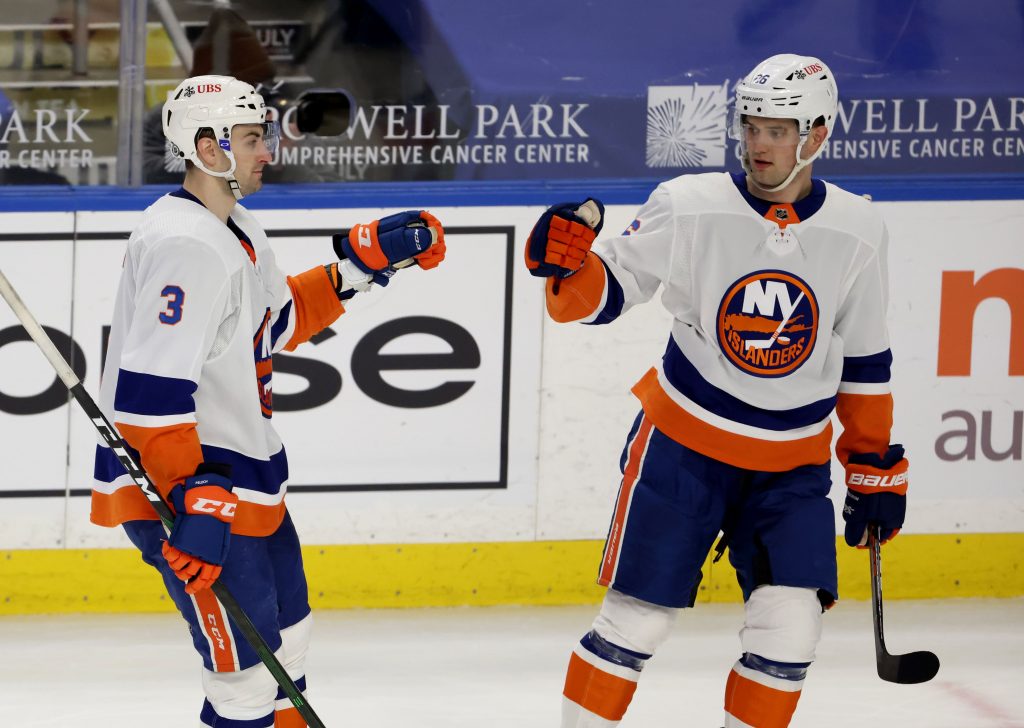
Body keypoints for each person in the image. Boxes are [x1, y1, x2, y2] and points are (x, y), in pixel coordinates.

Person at [524, 54, 909, 728]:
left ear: (817, 135)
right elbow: (604, 294)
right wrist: (568, 271)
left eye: (778, 130)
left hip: (792, 467)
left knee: (790, 632)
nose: (759, 143)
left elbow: (865, 361)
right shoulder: (689, 205)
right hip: (683, 451)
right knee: (634, 623)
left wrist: (873, 465)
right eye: (752, 126)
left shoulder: (858, 231)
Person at [91, 74, 446, 727]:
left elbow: (275, 324)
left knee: (289, 641)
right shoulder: (184, 245)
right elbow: (149, 397)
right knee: (246, 683)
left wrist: (360, 268)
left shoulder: (235, 224)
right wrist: (188, 497)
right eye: (254, 138)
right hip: (196, 493)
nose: (268, 152)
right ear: (208, 146)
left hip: (247, 482)